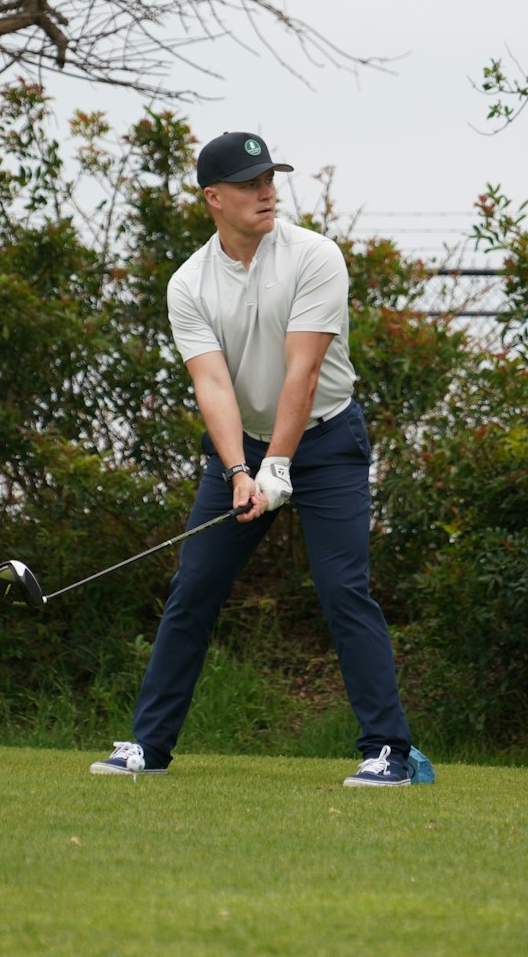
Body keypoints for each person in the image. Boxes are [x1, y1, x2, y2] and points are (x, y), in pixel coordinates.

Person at [90, 129, 413, 787]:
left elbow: (304, 369)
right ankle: (148, 747)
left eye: (270, 179)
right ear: (213, 197)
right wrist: (241, 470)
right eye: (248, 184)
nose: (266, 192)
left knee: (343, 588)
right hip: (242, 449)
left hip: (327, 441)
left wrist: (280, 467)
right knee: (193, 588)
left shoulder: (315, 256)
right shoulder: (189, 283)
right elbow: (213, 385)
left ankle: (389, 751)